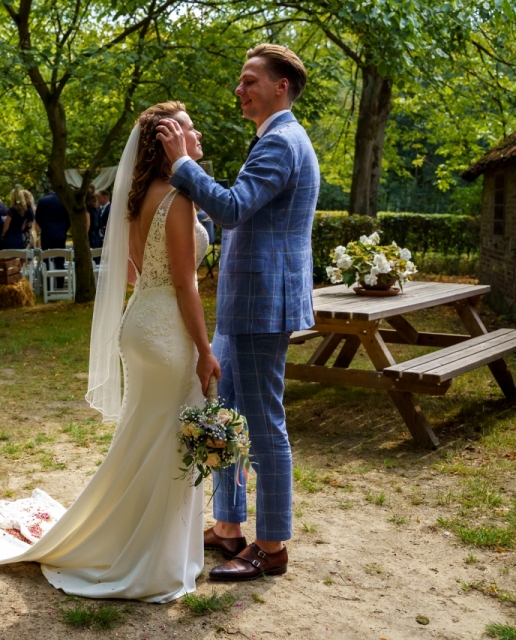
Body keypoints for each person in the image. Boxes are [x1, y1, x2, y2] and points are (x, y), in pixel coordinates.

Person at [0, 101, 217, 603]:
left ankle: (138, 543)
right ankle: (152, 559)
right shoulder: (178, 199)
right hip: (168, 330)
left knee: (145, 439)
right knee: (168, 442)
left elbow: (136, 274)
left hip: (138, 323)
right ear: (167, 141)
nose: (196, 132)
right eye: (187, 126)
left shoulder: (138, 199)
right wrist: (205, 349)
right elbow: (185, 285)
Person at [155, 44, 318, 582]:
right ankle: (228, 528)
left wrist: (180, 165)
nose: (240, 89)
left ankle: (271, 546)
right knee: (227, 413)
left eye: (250, 80)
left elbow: (231, 206)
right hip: (245, 304)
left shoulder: (281, 141)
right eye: (240, 81)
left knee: (264, 424)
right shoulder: (272, 138)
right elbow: (238, 213)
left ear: (281, 87)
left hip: (261, 305)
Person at [35, 189, 71, 287]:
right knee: (60, 259)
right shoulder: (65, 201)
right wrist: (63, 229)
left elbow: (37, 217)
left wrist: (45, 227)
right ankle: (60, 284)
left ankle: (47, 284)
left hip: (47, 233)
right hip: (60, 234)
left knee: (45, 259)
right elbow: (69, 218)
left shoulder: (43, 201)